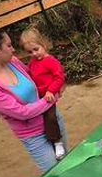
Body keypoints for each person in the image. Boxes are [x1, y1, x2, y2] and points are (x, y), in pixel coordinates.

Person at [0, 20, 66, 173]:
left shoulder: (12, 62)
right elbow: (22, 113)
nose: (14, 49)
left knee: (67, 162)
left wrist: (54, 83)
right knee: (55, 174)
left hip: (52, 119)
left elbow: (36, 77)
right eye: (9, 45)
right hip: (33, 134)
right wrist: (52, 98)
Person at [19, 28, 66, 158]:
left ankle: (57, 142)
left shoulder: (50, 61)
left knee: (50, 117)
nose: (34, 53)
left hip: (48, 97)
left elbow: (59, 77)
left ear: (43, 45)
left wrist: (51, 90)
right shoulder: (32, 62)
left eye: (36, 49)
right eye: (29, 52)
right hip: (37, 97)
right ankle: (48, 139)